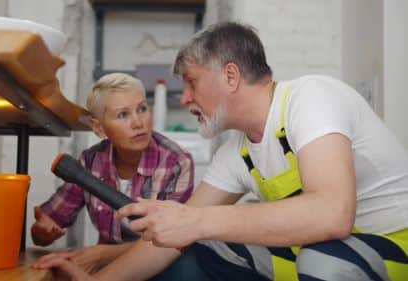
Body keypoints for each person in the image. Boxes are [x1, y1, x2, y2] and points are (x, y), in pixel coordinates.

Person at [33, 22, 408, 281]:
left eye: (192, 83)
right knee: (198, 251)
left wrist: (196, 222)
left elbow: (332, 214)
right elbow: (172, 238)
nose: (186, 98)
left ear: (230, 76)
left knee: (321, 261)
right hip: (310, 253)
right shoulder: (237, 152)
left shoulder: (311, 98)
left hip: (393, 244)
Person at [31, 72, 206, 279]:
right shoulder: (88, 163)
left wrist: (103, 254)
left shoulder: (177, 162)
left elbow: (175, 240)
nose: (138, 122)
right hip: (109, 270)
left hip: (162, 266)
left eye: (142, 109)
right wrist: (42, 231)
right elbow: (45, 227)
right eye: (123, 115)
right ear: (98, 128)